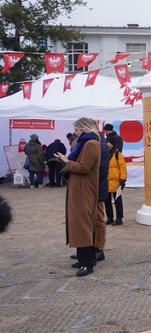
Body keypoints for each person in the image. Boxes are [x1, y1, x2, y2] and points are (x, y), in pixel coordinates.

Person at [55, 118, 101, 277]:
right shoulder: (86, 143)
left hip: (83, 190)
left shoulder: (91, 144)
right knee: (80, 224)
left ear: (83, 129)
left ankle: (87, 263)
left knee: (82, 225)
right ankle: (84, 260)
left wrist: (66, 161)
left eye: (77, 129)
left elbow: (85, 167)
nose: (75, 132)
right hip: (80, 188)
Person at [105, 137, 127, 226]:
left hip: (116, 182)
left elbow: (123, 168)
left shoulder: (118, 154)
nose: (106, 144)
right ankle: (109, 218)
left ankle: (119, 218)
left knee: (117, 201)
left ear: (112, 144)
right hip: (106, 181)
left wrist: (123, 180)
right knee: (107, 201)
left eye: (108, 142)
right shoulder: (105, 153)